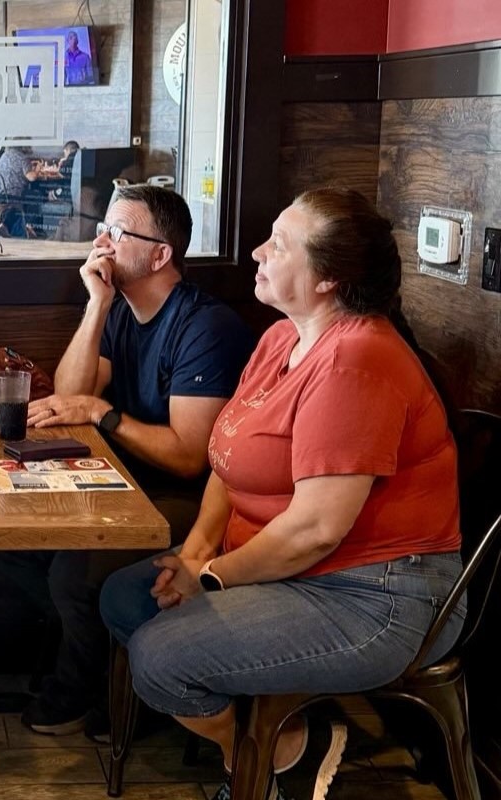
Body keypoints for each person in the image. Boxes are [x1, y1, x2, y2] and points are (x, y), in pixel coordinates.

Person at [99, 187, 465, 800]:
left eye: (280, 244)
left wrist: (211, 577)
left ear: (328, 279)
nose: (256, 251)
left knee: (161, 659)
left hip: (373, 597)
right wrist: (194, 552)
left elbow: (317, 529)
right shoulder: (280, 339)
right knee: (124, 598)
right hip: (295, 572)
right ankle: (288, 745)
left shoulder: (357, 360)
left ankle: (271, 759)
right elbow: (227, 461)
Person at [2, 185, 253, 737]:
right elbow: (71, 399)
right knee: (14, 545)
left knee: (77, 568)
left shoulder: (204, 328)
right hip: (127, 483)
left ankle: (93, 690)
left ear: (160, 254)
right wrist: (96, 306)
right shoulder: (122, 308)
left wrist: (102, 413)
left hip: (202, 504)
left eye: (118, 233)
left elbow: (190, 458)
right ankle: (104, 664)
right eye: (104, 229)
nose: (101, 242)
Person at [0, 146, 41, 237]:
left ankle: (5, 225)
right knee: (35, 196)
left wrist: (28, 165)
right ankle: (29, 226)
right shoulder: (22, 158)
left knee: (16, 203)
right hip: (12, 195)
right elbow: (31, 177)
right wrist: (37, 169)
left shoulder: (4, 156)